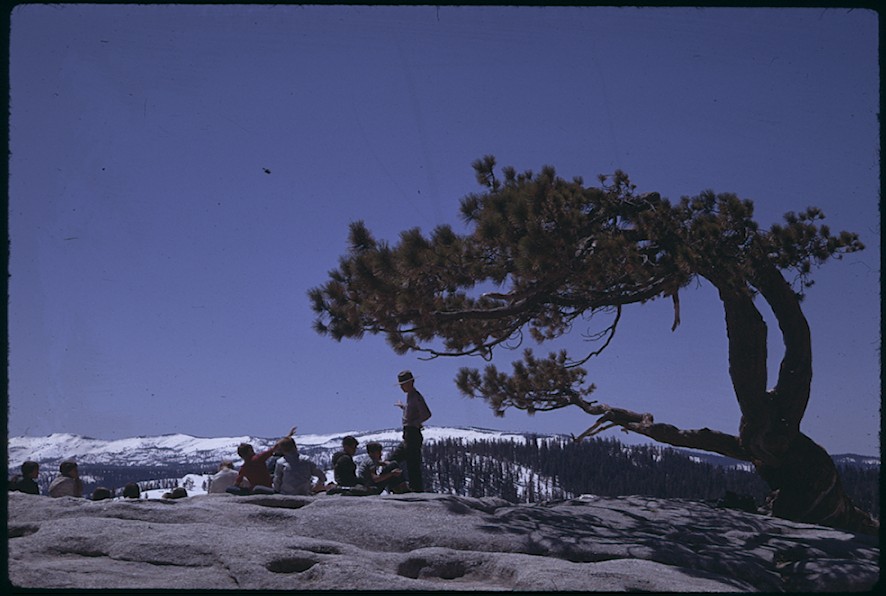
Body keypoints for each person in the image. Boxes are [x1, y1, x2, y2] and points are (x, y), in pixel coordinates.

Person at [395, 370, 431, 492]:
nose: (401, 387)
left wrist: (415, 423)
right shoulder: (410, 397)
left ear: (411, 382)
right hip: (408, 433)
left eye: (403, 384)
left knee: (412, 462)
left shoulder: (416, 396)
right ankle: (413, 488)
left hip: (413, 433)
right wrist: (403, 407)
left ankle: (416, 489)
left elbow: (426, 414)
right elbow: (413, 411)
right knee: (409, 461)